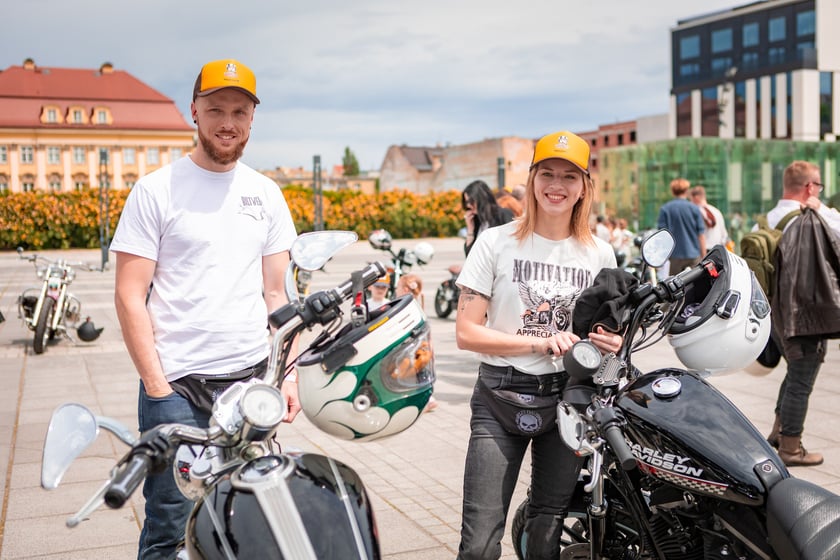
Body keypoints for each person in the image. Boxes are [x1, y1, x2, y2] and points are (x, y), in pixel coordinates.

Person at [110, 58, 300, 560]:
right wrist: (156, 385)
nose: (227, 122)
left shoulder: (266, 193)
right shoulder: (155, 190)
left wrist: (290, 379)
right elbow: (130, 295)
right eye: (215, 108)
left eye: (239, 111)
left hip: (250, 387)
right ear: (194, 110)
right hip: (176, 388)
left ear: (253, 118)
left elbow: (279, 297)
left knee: (248, 520)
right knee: (170, 527)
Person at [455, 130, 622, 559]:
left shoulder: (600, 253)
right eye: (546, 173)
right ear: (531, 179)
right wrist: (538, 342)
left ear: (585, 185)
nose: (556, 185)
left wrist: (610, 343)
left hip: (568, 402)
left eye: (569, 176)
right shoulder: (495, 242)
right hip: (499, 397)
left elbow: (606, 333)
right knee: (478, 543)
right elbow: (467, 332)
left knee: (546, 529)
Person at [765, 160, 840, 467]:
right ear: (810, 188)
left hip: (775, 316)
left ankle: (776, 434)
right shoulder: (813, 217)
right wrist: (821, 207)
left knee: (795, 373)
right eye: (818, 185)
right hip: (805, 317)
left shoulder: (767, 219)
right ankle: (791, 448)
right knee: (802, 379)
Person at [395, 273, 439, 412]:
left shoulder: (404, 308)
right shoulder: (418, 306)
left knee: (412, 376)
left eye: (397, 287)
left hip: (412, 351)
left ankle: (424, 401)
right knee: (422, 376)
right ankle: (427, 398)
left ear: (405, 290)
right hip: (424, 350)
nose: (396, 290)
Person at [657, 178, 706, 272]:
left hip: (674, 255)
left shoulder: (666, 209)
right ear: (687, 191)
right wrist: (703, 256)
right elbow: (701, 235)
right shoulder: (694, 209)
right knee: (696, 284)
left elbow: (662, 235)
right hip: (693, 255)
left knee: (674, 284)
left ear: (672, 191)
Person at [462, 180, 515, 255]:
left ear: (481, 198)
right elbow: (469, 255)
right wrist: (470, 229)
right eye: (466, 202)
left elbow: (513, 245)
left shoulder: (503, 214)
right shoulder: (477, 221)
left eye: (470, 201)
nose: (468, 205)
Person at [690, 185, 728, 251]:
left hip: (702, 251)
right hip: (717, 250)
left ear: (696, 198)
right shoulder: (716, 211)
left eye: (691, 200)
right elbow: (724, 234)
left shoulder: (694, 213)